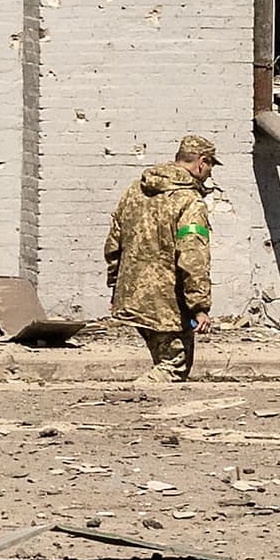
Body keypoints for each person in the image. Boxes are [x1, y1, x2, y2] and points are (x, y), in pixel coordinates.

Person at [104, 135, 218, 381]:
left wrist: (116, 287)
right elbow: (193, 257)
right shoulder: (190, 202)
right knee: (174, 366)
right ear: (202, 162)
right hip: (167, 303)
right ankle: (133, 401)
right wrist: (199, 307)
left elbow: (114, 242)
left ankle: (148, 410)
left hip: (132, 294)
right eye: (210, 166)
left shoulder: (135, 190)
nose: (209, 173)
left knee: (164, 359)